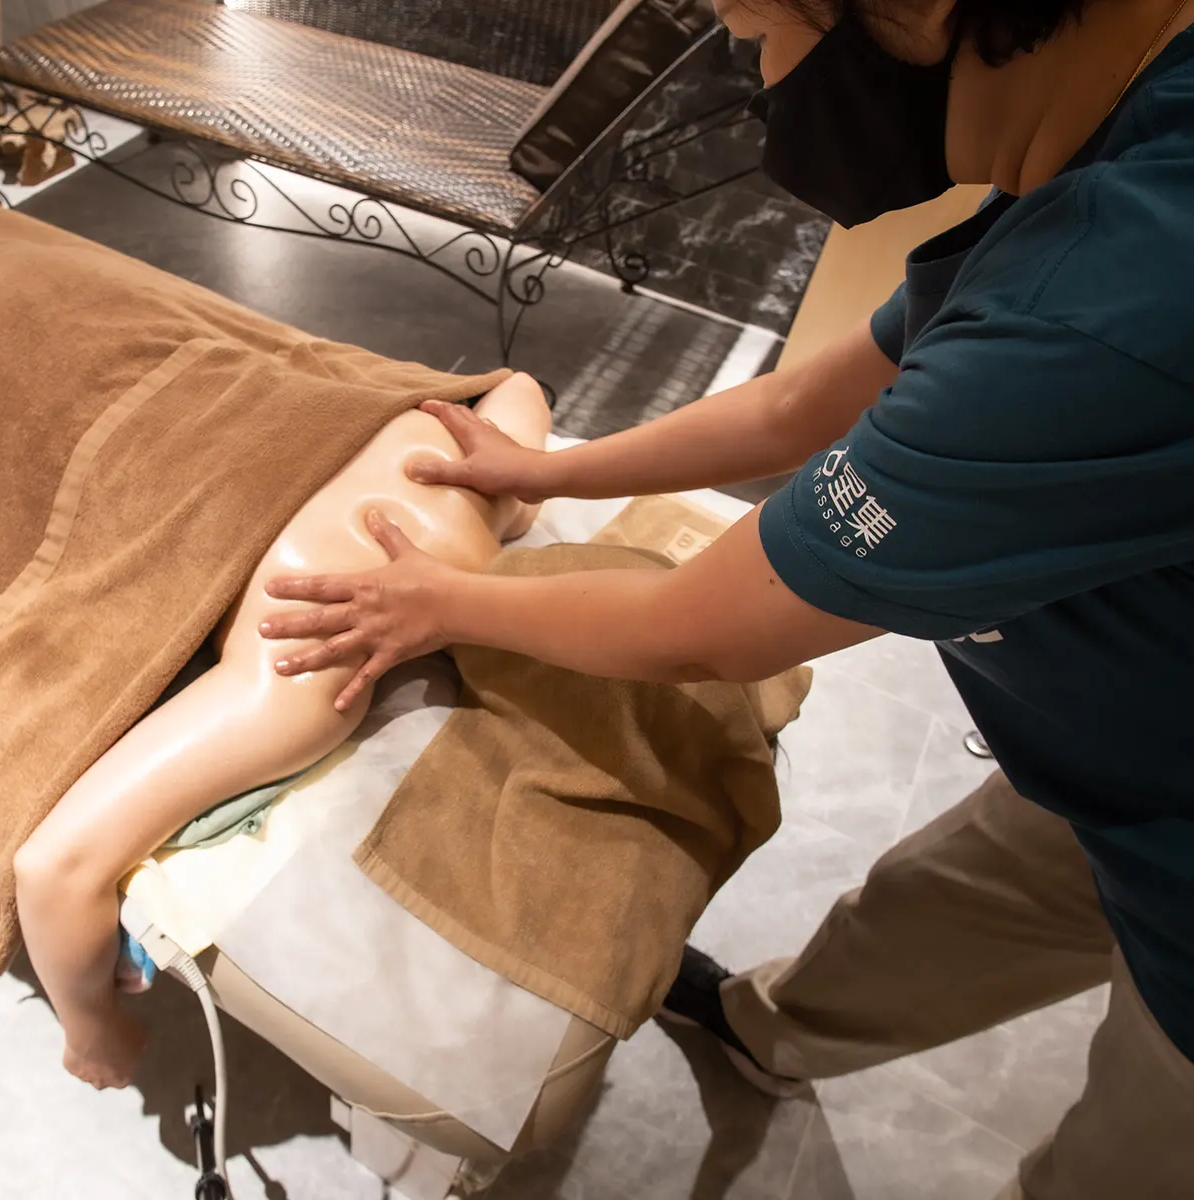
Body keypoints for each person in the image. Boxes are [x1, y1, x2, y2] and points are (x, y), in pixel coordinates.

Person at [258, 1, 1194, 1195]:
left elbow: (702, 625)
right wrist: (544, 470)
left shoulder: (1108, 304)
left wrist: (435, 602)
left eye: (751, 30)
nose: (758, 78)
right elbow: (803, 407)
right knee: (961, 894)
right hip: (1124, 751)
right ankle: (773, 1028)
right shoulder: (1102, 145)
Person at [12, 371, 550, 1089]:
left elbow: (53, 869)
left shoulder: (297, 665)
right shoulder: (501, 459)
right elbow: (51, 871)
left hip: (294, 506)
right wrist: (94, 1035)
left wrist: (88, 1031)